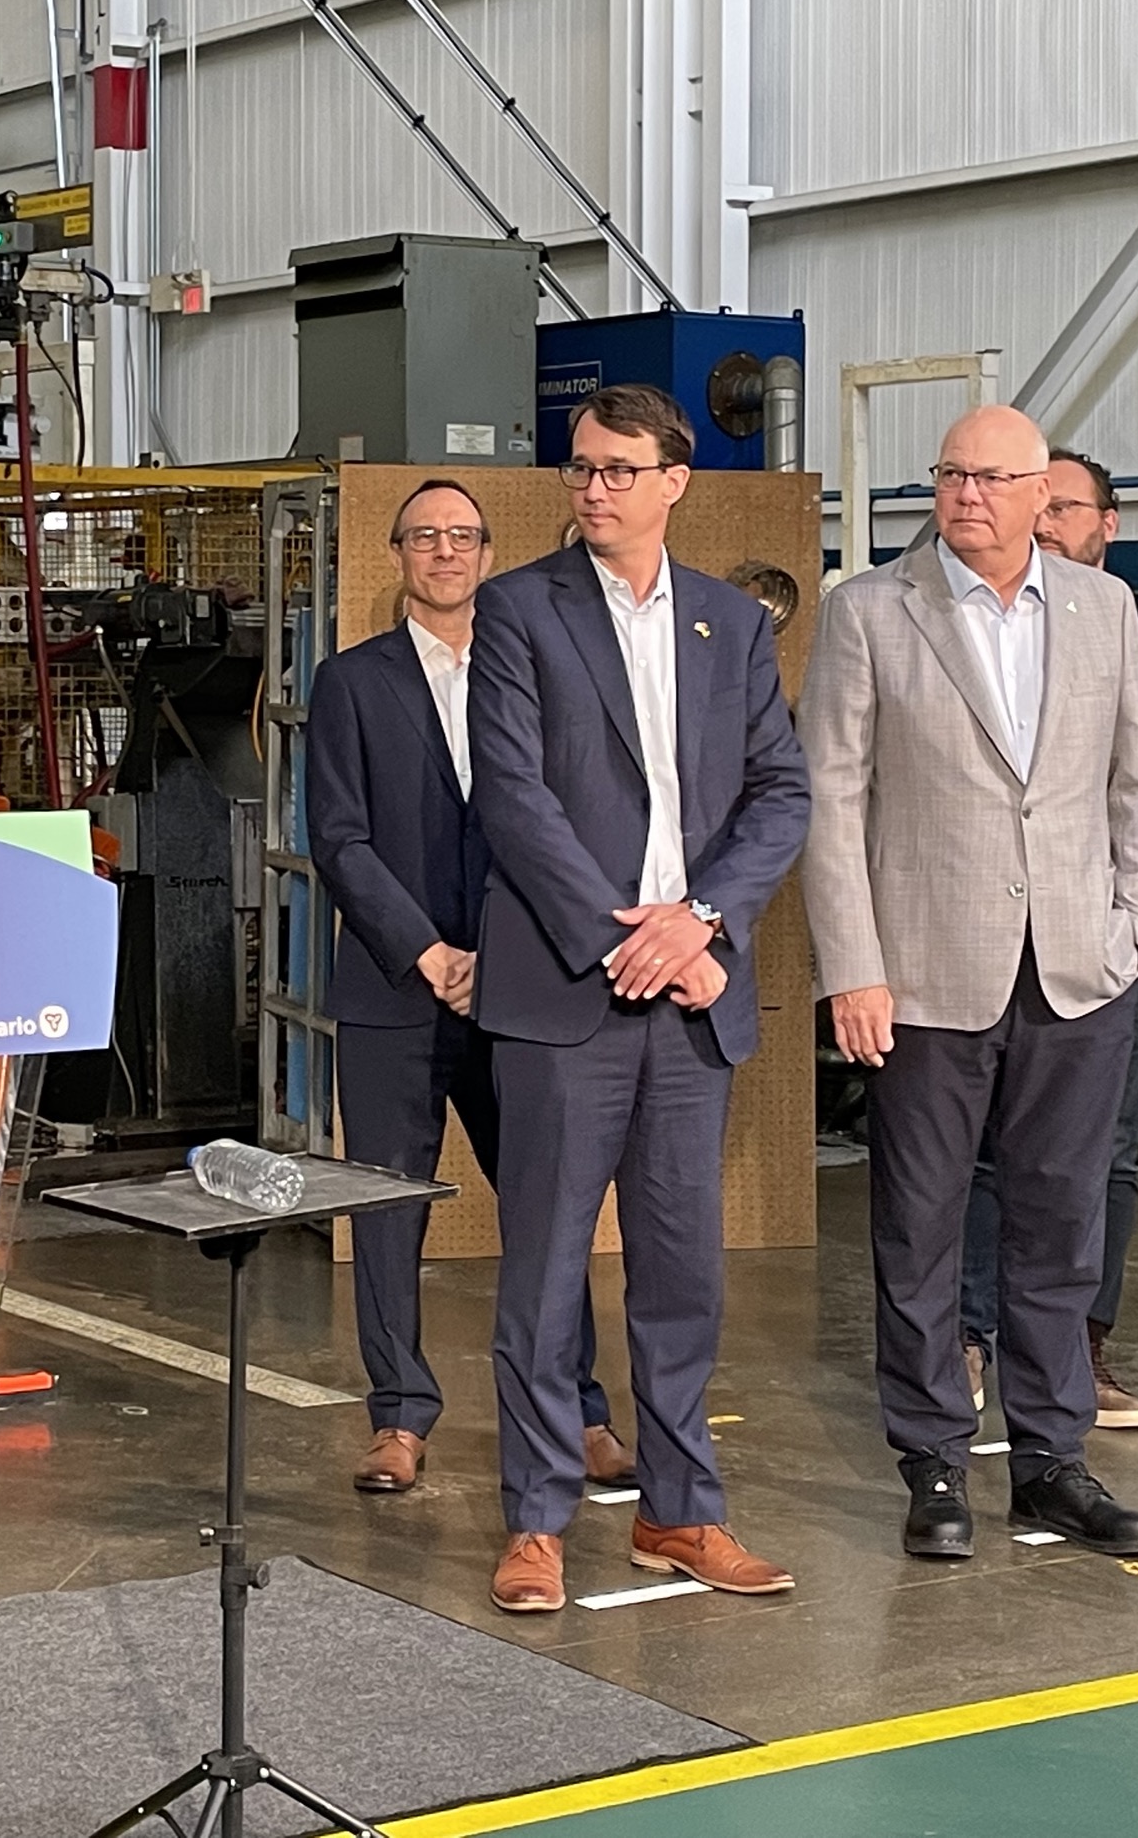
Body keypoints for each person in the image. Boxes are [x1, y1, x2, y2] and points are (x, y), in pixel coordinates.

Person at [799, 403, 1138, 1562]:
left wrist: (1129, 929)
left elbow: (1136, 784)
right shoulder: (869, 610)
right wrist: (853, 968)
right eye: (949, 474)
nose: (965, 495)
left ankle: (1054, 1462)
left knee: (1060, 1225)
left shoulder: (1103, 610)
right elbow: (831, 800)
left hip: (1073, 974)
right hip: (920, 981)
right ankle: (934, 1463)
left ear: (1038, 493)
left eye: (991, 478)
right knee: (918, 1228)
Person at [469, 383, 811, 1614]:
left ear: (675, 481)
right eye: (581, 470)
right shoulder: (518, 612)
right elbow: (511, 799)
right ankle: (537, 1521)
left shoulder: (729, 625)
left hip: (692, 993)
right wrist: (627, 940)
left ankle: (680, 1513)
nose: (594, 489)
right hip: (572, 992)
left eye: (619, 470)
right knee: (545, 1273)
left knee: (682, 1274)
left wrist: (699, 921)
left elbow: (781, 795)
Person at [307, 478, 634, 1496]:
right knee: (388, 1207)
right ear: (398, 554)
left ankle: (576, 1410)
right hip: (394, 987)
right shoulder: (350, 682)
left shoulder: (539, 673)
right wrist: (428, 952)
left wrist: (501, 953)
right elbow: (340, 840)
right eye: (424, 537)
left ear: (488, 553)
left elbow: (567, 827)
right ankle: (399, 1418)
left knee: (547, 1205)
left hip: (522, 985)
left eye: (462, 536)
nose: (444, 551)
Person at [957, 452, 1138, 1429]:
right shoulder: (968, 636)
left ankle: (1083, 1345)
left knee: (1103, 1156)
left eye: (1065, 507)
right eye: (1031, 504)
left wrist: (1126, 824)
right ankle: (967, 1335)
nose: (1045, 524)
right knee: (990, 1149)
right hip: (990, 938)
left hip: (1122, 946)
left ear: (1108, 525)